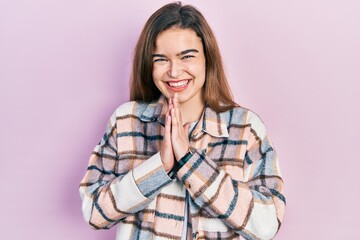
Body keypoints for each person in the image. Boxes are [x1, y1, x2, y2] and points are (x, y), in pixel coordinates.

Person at [79, 2, 285, 239]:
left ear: (207, 58)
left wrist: (189, 162)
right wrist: (160, 167)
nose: (174, 72)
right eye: (161, 59)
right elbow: (93, 211)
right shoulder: (126, 121)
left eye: (186, 56)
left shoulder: (245, 128)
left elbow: (268, 224)